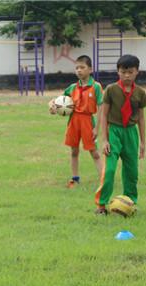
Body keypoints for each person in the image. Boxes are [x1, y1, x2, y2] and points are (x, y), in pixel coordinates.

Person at [95, 54, 146, 215]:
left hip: (131, 134)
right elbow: (104, 114)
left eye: (130, 72)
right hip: (114, 132)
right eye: (123, 72)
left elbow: (141, 117)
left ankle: (129, 203)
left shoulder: (140, 93)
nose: (127, 75)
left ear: (137, 72)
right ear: (118, 72)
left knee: (132, 172)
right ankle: (101, 206)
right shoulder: (111, 90)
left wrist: (143, 142)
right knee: (109, 170)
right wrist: (105, 140)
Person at [50, 55, 104, 188]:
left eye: (82, 67)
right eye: (77, 68)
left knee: (94, 153)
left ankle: (104, 178)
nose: (79, 70)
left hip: (87, 121)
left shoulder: (96, 87)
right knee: (74, 151)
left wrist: (96, 128)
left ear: (90, 69)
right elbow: (58, 100)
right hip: (73, 121)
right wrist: (52, 106)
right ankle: (75, 178)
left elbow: (101, 108)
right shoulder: (73, 87)